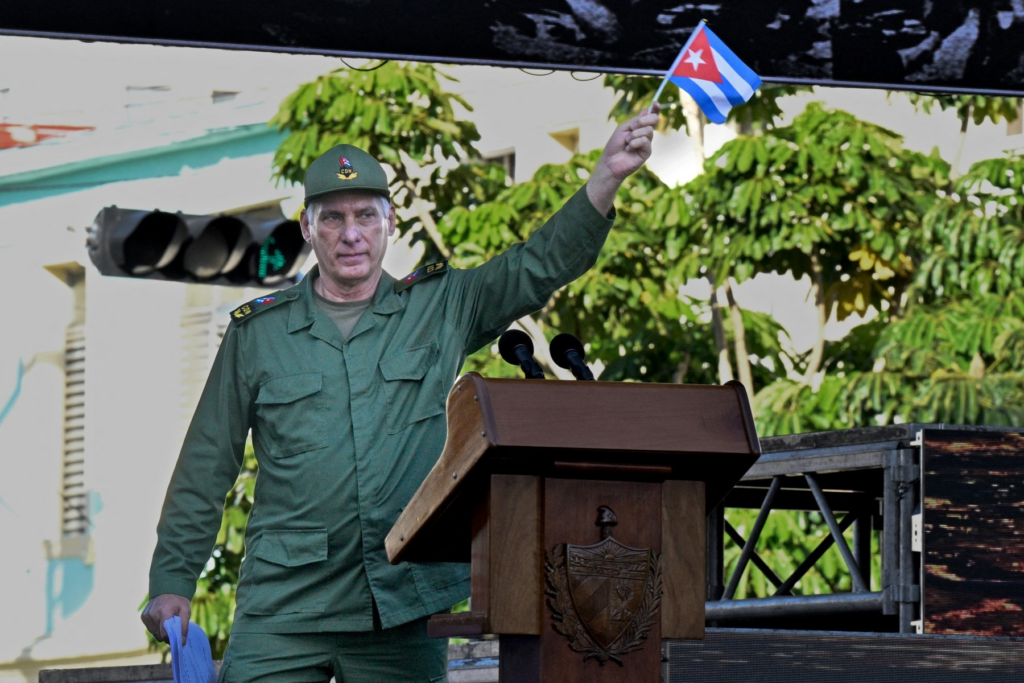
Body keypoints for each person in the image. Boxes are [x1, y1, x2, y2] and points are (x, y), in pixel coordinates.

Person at [141, 102, 661, 682]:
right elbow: (206, 464)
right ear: (308, 227)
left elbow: (535, 266)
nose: (351, 234)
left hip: (400, 602)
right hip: (284, 606)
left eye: (366, 215)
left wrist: (606, 178)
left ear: (389, 223)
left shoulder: (439, 306)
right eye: (333, 219)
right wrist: (172, 581)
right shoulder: (258, 334)